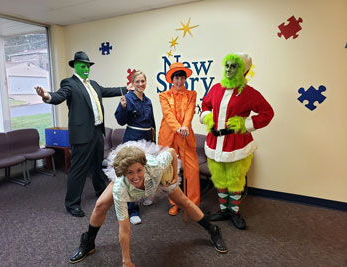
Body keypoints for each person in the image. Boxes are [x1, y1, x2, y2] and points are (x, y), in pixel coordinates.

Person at [69, 142, 227, 265]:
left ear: (144, 167)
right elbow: (124, 228)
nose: (136, 177)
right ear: (123, 173)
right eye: (130, 173)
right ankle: (88, 242)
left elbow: (171, 152)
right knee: (100, 205)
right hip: (130, 175)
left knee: (184, 202)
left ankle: (213, 230)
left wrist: (173, 177)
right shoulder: (120, 187)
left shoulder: (156, 166)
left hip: (156, 177)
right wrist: (126, 262)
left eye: (138, 171)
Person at [34, 51, 129, 217]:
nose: (86, 68)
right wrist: (46, 95)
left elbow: (108, 91)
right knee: (78, 170)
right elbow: (58, 96)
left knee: (97, 165)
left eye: (88, 66)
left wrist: (127, 88)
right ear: (75, 66)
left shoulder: (94, 84)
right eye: (83, 65)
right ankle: (72, 204)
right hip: (81, 134)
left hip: (97, 131)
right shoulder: (69, 83)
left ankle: (101, 192)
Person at [200, 52, 274, 229]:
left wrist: (245, 124)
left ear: (244, 71)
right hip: (214, 143)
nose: (228, 69)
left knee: (235, 180)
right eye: (227, 65)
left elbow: (267, 113)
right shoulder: (216, 88)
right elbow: (205, 105)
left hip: (236, 144)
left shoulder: (249, 93)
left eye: (234, 66)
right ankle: (223, 210)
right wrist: (208, 117)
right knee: (219, 179)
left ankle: (233, 212)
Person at [158, 62, 200, 216]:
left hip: (185, 136)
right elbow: (167, 114)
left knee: (193, 170)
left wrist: (185, 126)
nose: (179, 81)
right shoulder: (163, 95)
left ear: (184, 79)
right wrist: (177, 127)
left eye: (181, 77)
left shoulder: (192, 94)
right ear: (172, 79)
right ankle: (174, 203)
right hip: (168, 137)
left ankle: (193, 204)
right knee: (171, 172)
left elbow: (190, 112)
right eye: (176, 77)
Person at [115, 70, 156, 225]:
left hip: (147, 138)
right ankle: (132, 210)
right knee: (132, 174)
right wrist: (123, 107)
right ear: (132, 83)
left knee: (145, 170)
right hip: (132, 138)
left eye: (143, 81)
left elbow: (152, 123)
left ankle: (144, 195)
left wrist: (154, 140)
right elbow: (120, 121)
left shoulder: (148, 101)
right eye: (137, 82)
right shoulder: (127, 99)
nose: (140, 84)